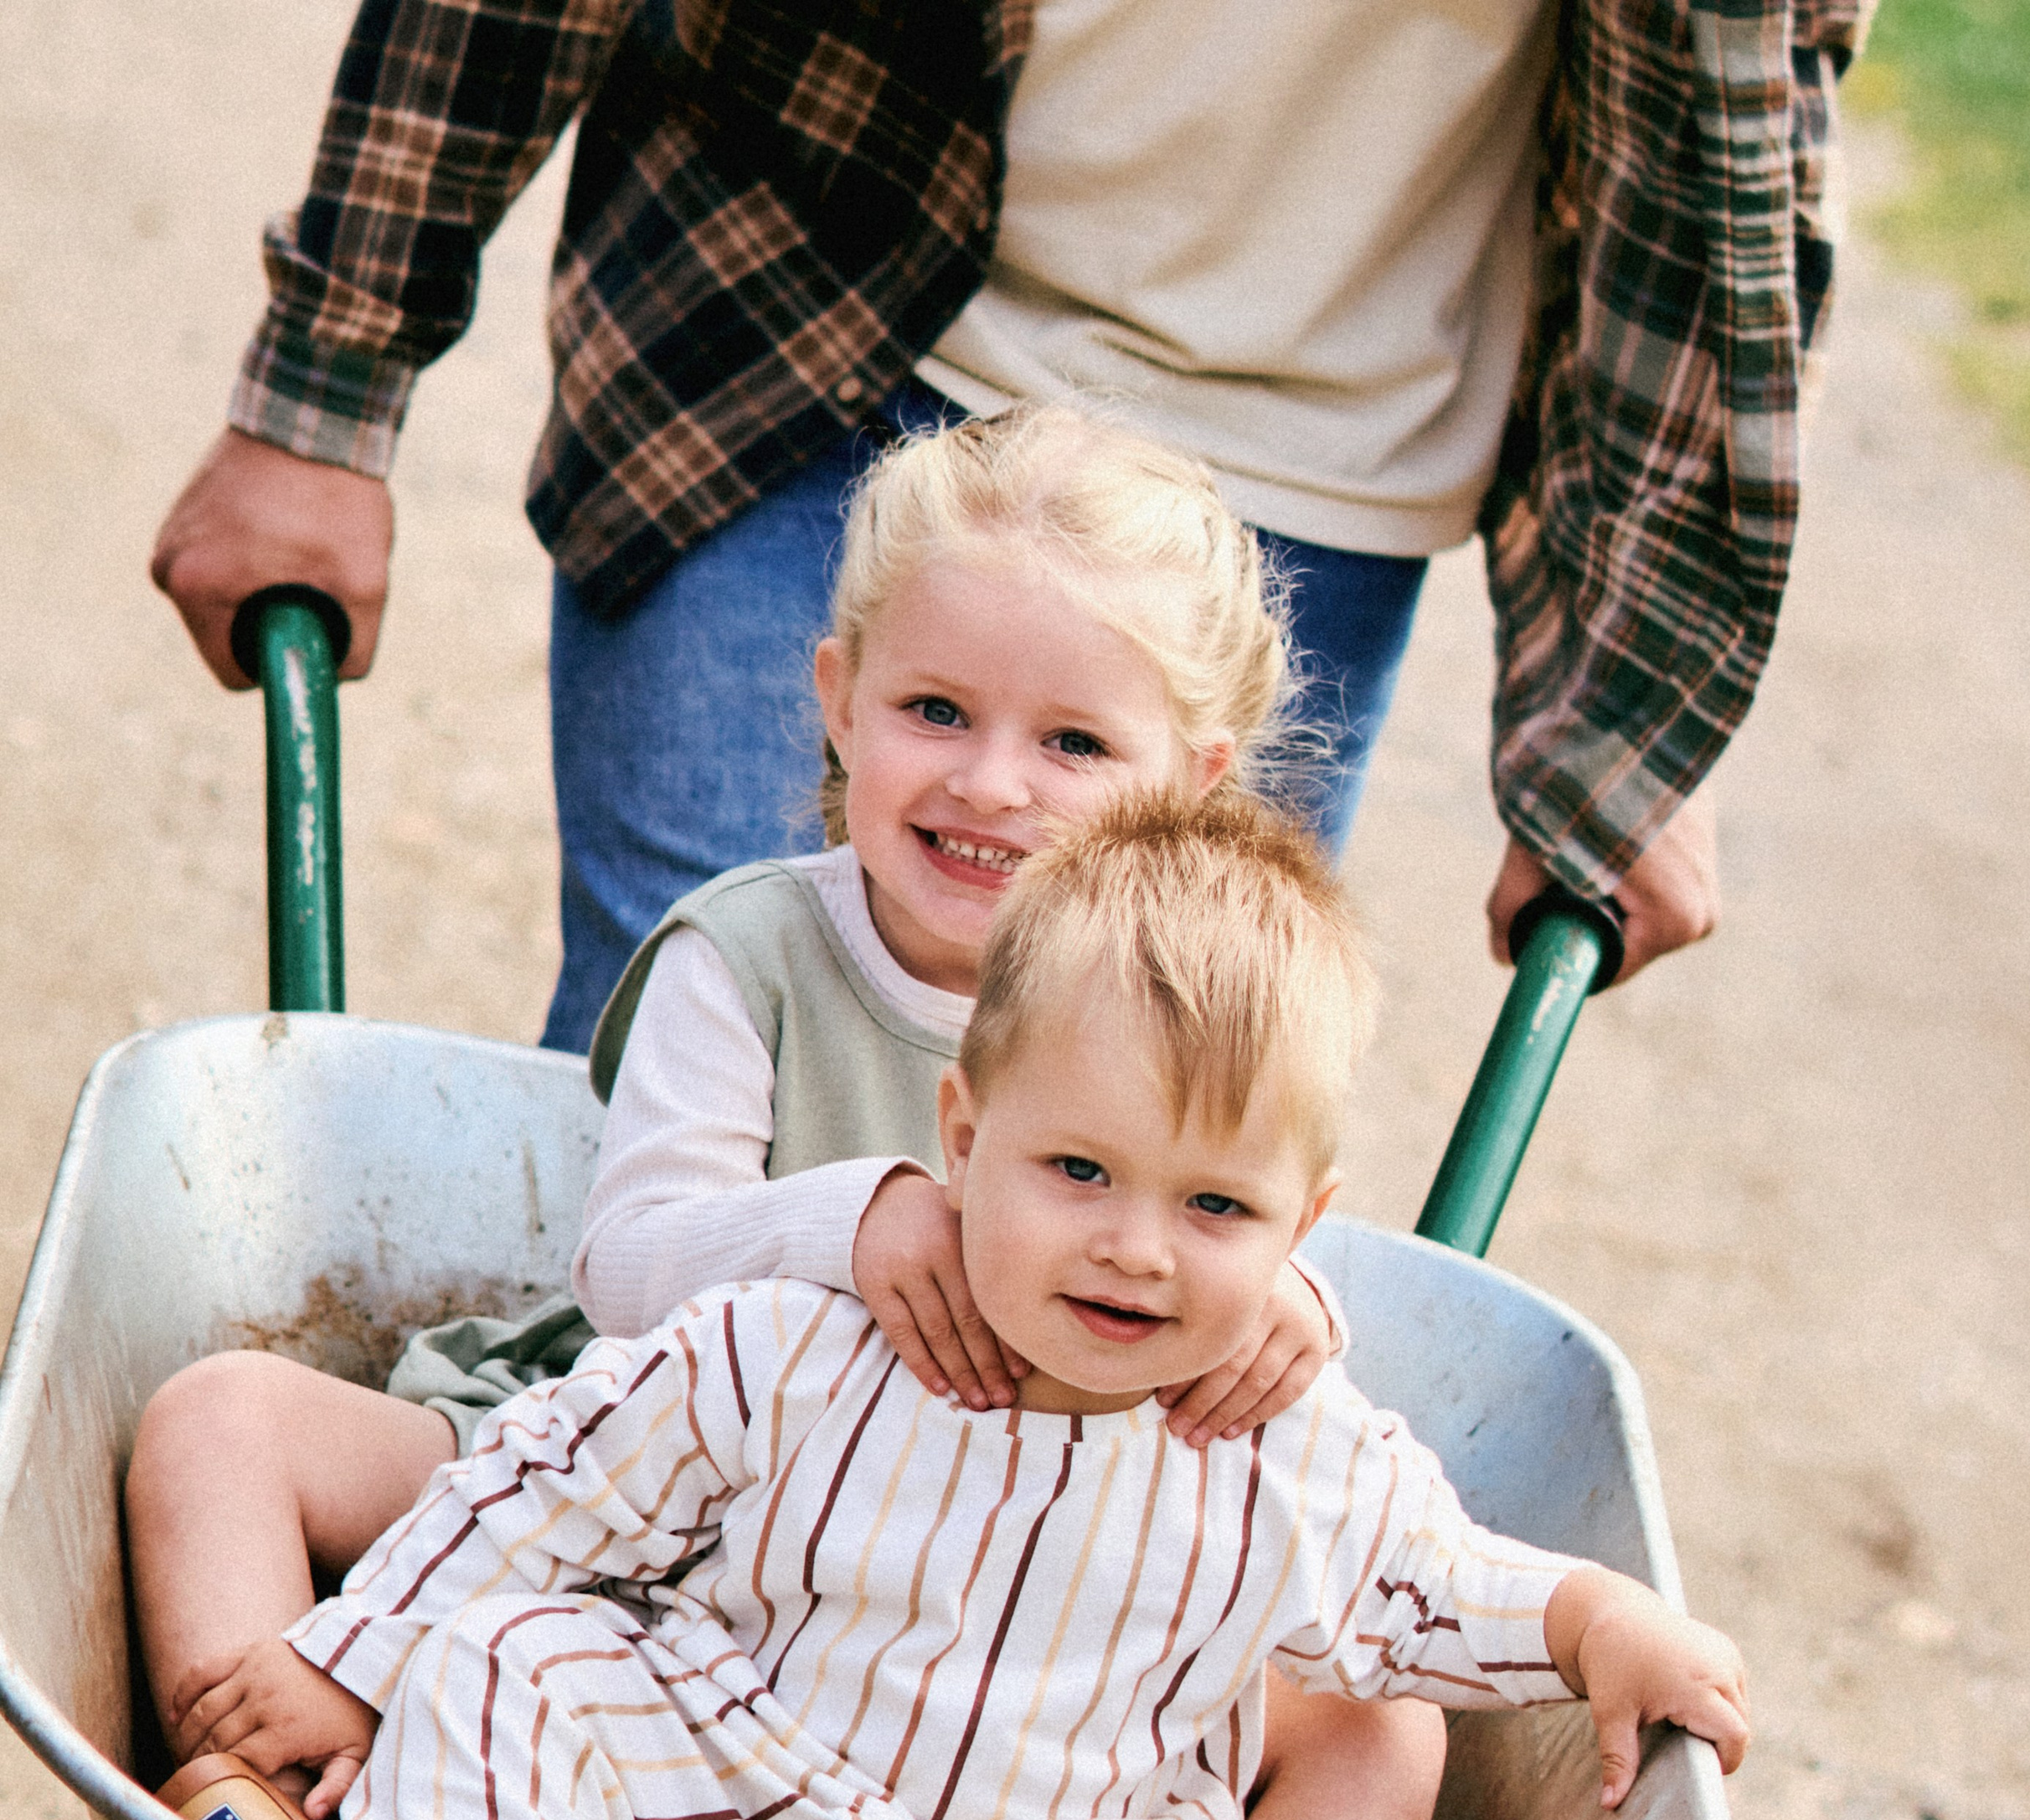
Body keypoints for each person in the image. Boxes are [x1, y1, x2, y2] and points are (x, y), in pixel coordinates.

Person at [132, 408, 1446, 1820]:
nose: (991, 784)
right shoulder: (750, 953)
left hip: (982, 1600)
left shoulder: (1209, 1014)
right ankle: (279, 1817)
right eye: (937, 710)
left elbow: (1238, 1256)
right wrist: (857, 1216)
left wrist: (1285, 1316)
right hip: (659, 1511)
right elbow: (628, 1266)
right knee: (221, 1421)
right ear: (841, 700)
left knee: (1384, 1724)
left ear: (1197, 783)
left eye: (1076, 746)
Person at [167, 791, 1750, 1820]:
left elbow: (1434, 1586)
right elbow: (549, 1487)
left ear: (1304, 1232)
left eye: (1214, 1208)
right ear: (966, 1137)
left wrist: (1600, 1623)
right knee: (527, 1646)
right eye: (1079, 1171)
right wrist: (359, 1657)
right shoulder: (794, 1346)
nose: (1137, 1249)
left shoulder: (1284, 1448)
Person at [147, 0, 1869, 1049]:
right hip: (811, 303)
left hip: (1302, 456)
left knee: (1126, 1113)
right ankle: (585, 1602)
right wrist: (323, 386)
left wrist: (1631, 709)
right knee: (707, 1021)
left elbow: (1730, 150)